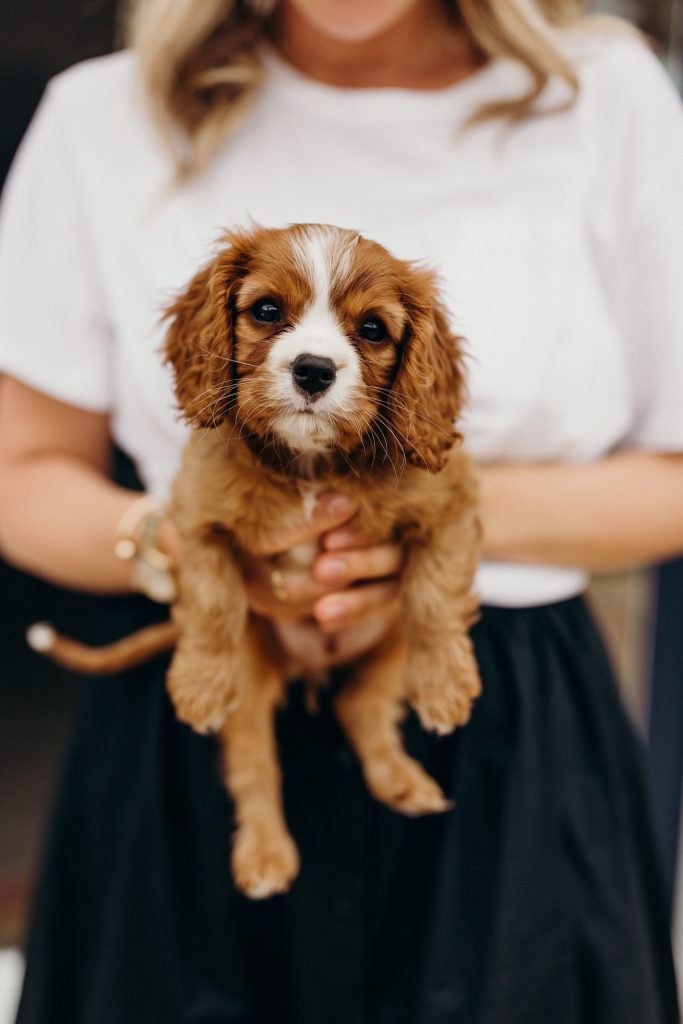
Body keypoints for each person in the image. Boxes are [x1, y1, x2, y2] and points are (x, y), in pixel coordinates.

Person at [0, 0, 682, 1020]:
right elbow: (22, 471)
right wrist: (173, 545)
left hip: (504, 732)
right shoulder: (101, 114)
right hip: (192, 721)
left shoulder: (602, 97)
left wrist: (414, 522)